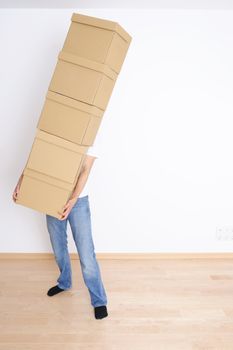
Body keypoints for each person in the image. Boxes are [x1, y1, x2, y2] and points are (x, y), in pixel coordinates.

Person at [12, 133, 108, 320]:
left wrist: (72, 200)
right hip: (52, 195)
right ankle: (64, 282)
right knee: (58, 247)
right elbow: (36, 158)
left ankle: (99, 300)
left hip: (78, 201)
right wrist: (21, 182)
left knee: (86, 252)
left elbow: (85, 169)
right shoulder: (56, 126)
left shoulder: (91, 132)